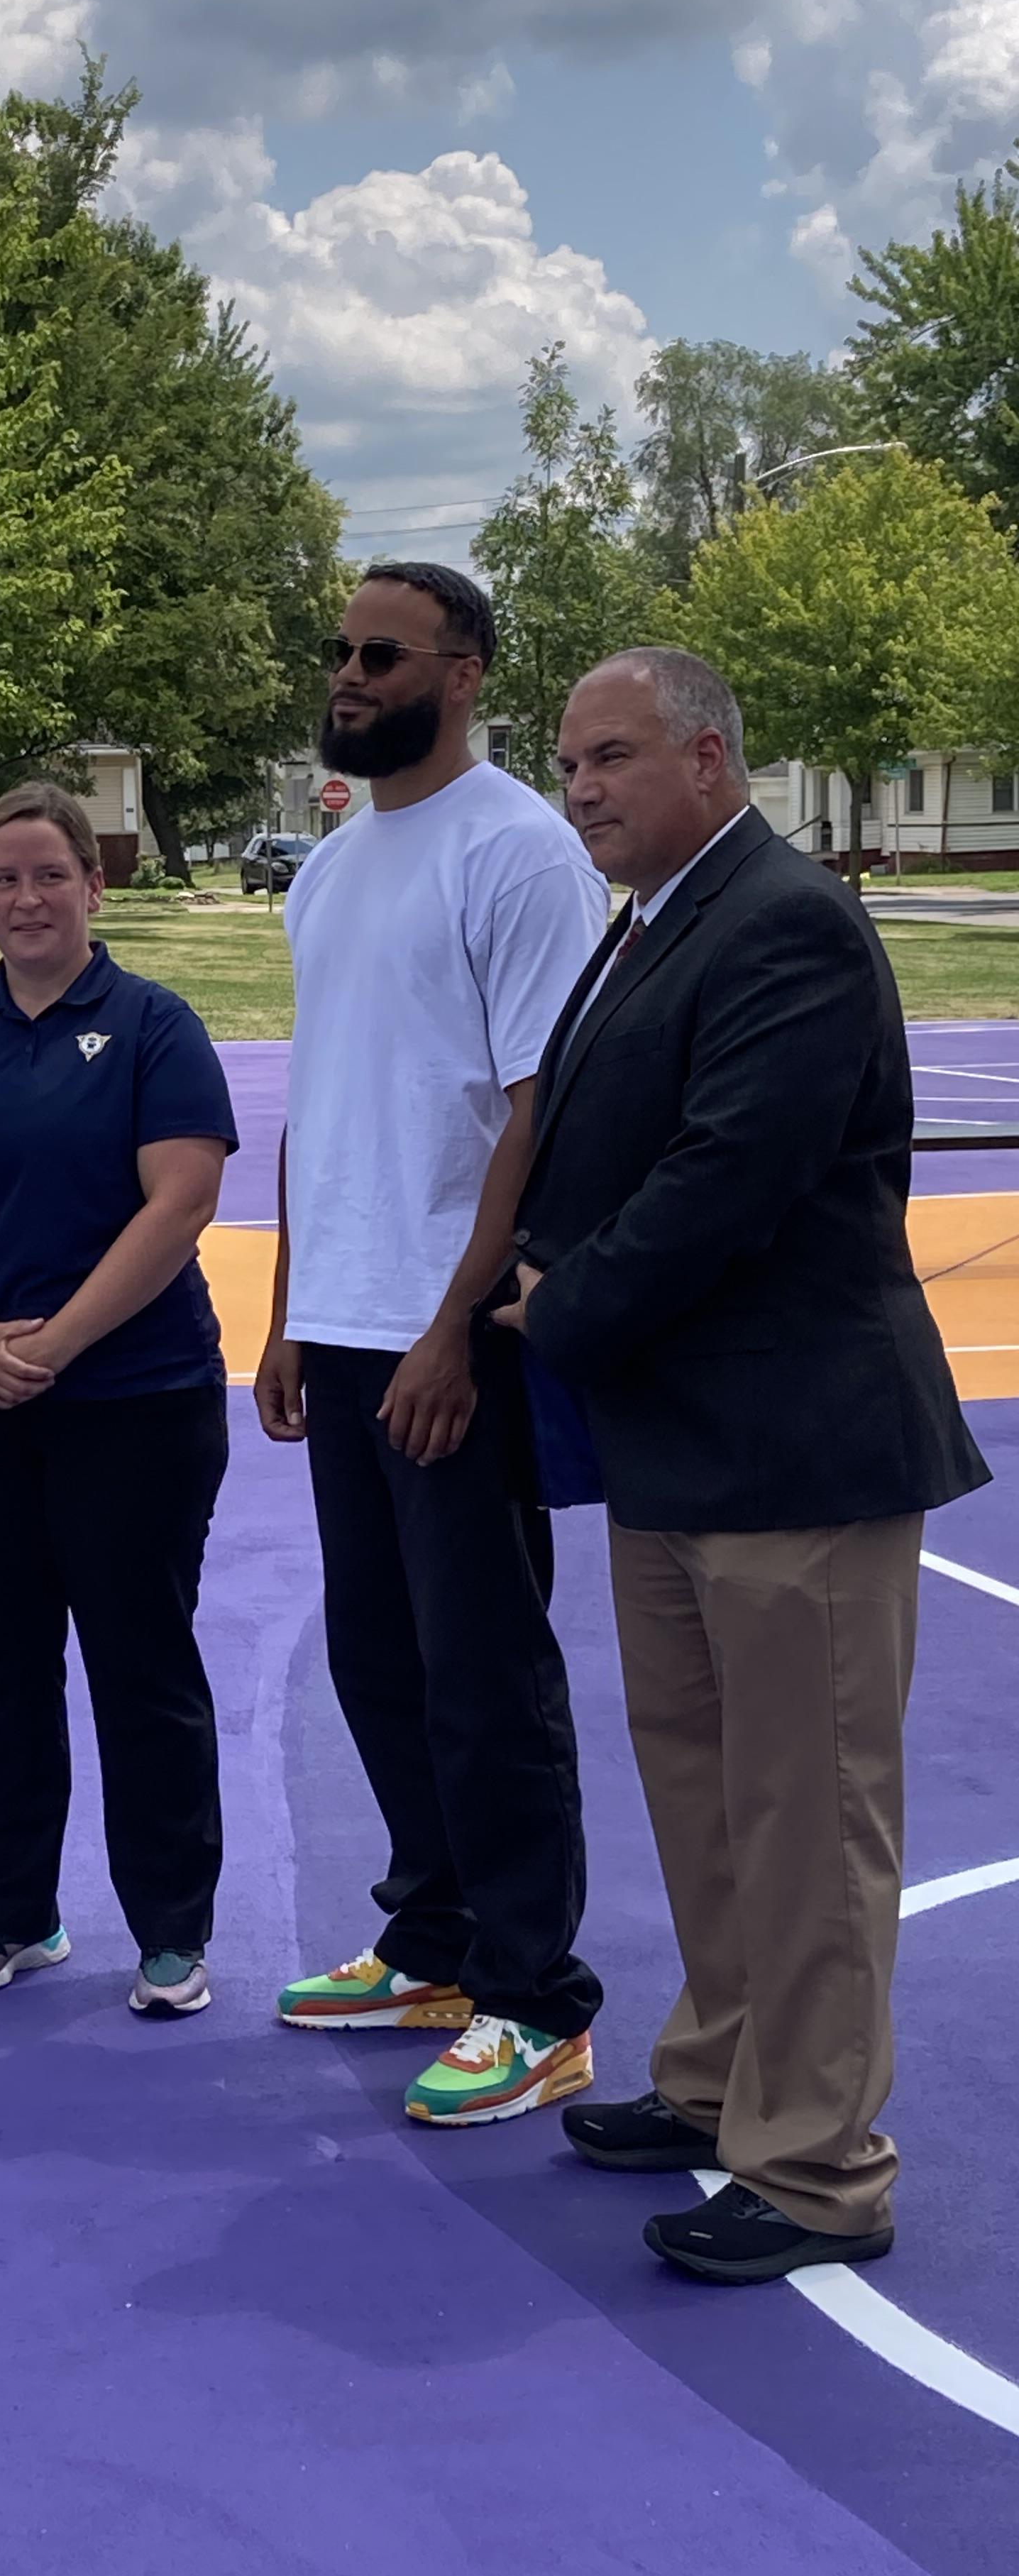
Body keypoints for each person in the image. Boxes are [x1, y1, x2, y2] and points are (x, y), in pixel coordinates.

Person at [498, 647, 988, 2281]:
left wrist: (562, 1307)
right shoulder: (655, 920)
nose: (581, 788)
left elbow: (732, 1174)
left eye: (611, 757)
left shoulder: (786, 919)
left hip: (797, 1450)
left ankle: (821, 2167)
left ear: (708, 759)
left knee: (811, 1815)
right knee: (708, 1797)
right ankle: (720, 2080)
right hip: (679, 1445)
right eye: (570, 762)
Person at [254, 563, 609, 2128]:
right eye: (340, 650)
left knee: (484, 1669)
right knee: (379, 1659)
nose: (349, 674)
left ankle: (536, 1997)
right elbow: (321, 1099)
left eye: (382, 655)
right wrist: (287, 1309)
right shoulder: (332, 866)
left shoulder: (519, 851)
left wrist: (458, 1324)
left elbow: (540, 1112)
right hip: (341, 1328)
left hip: (449, 1335)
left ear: (463, 675)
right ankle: (437, 1944)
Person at [0, 783, 237, 2015]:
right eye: (2, 879)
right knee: (2, 1665)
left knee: (141, 1661)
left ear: (94, 886)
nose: (26, 899)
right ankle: (13, 1913)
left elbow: (180, 1203)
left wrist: (56, 1346)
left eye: (49, 875)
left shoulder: (153, 1027)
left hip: (134, 1400)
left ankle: (172, 1930)